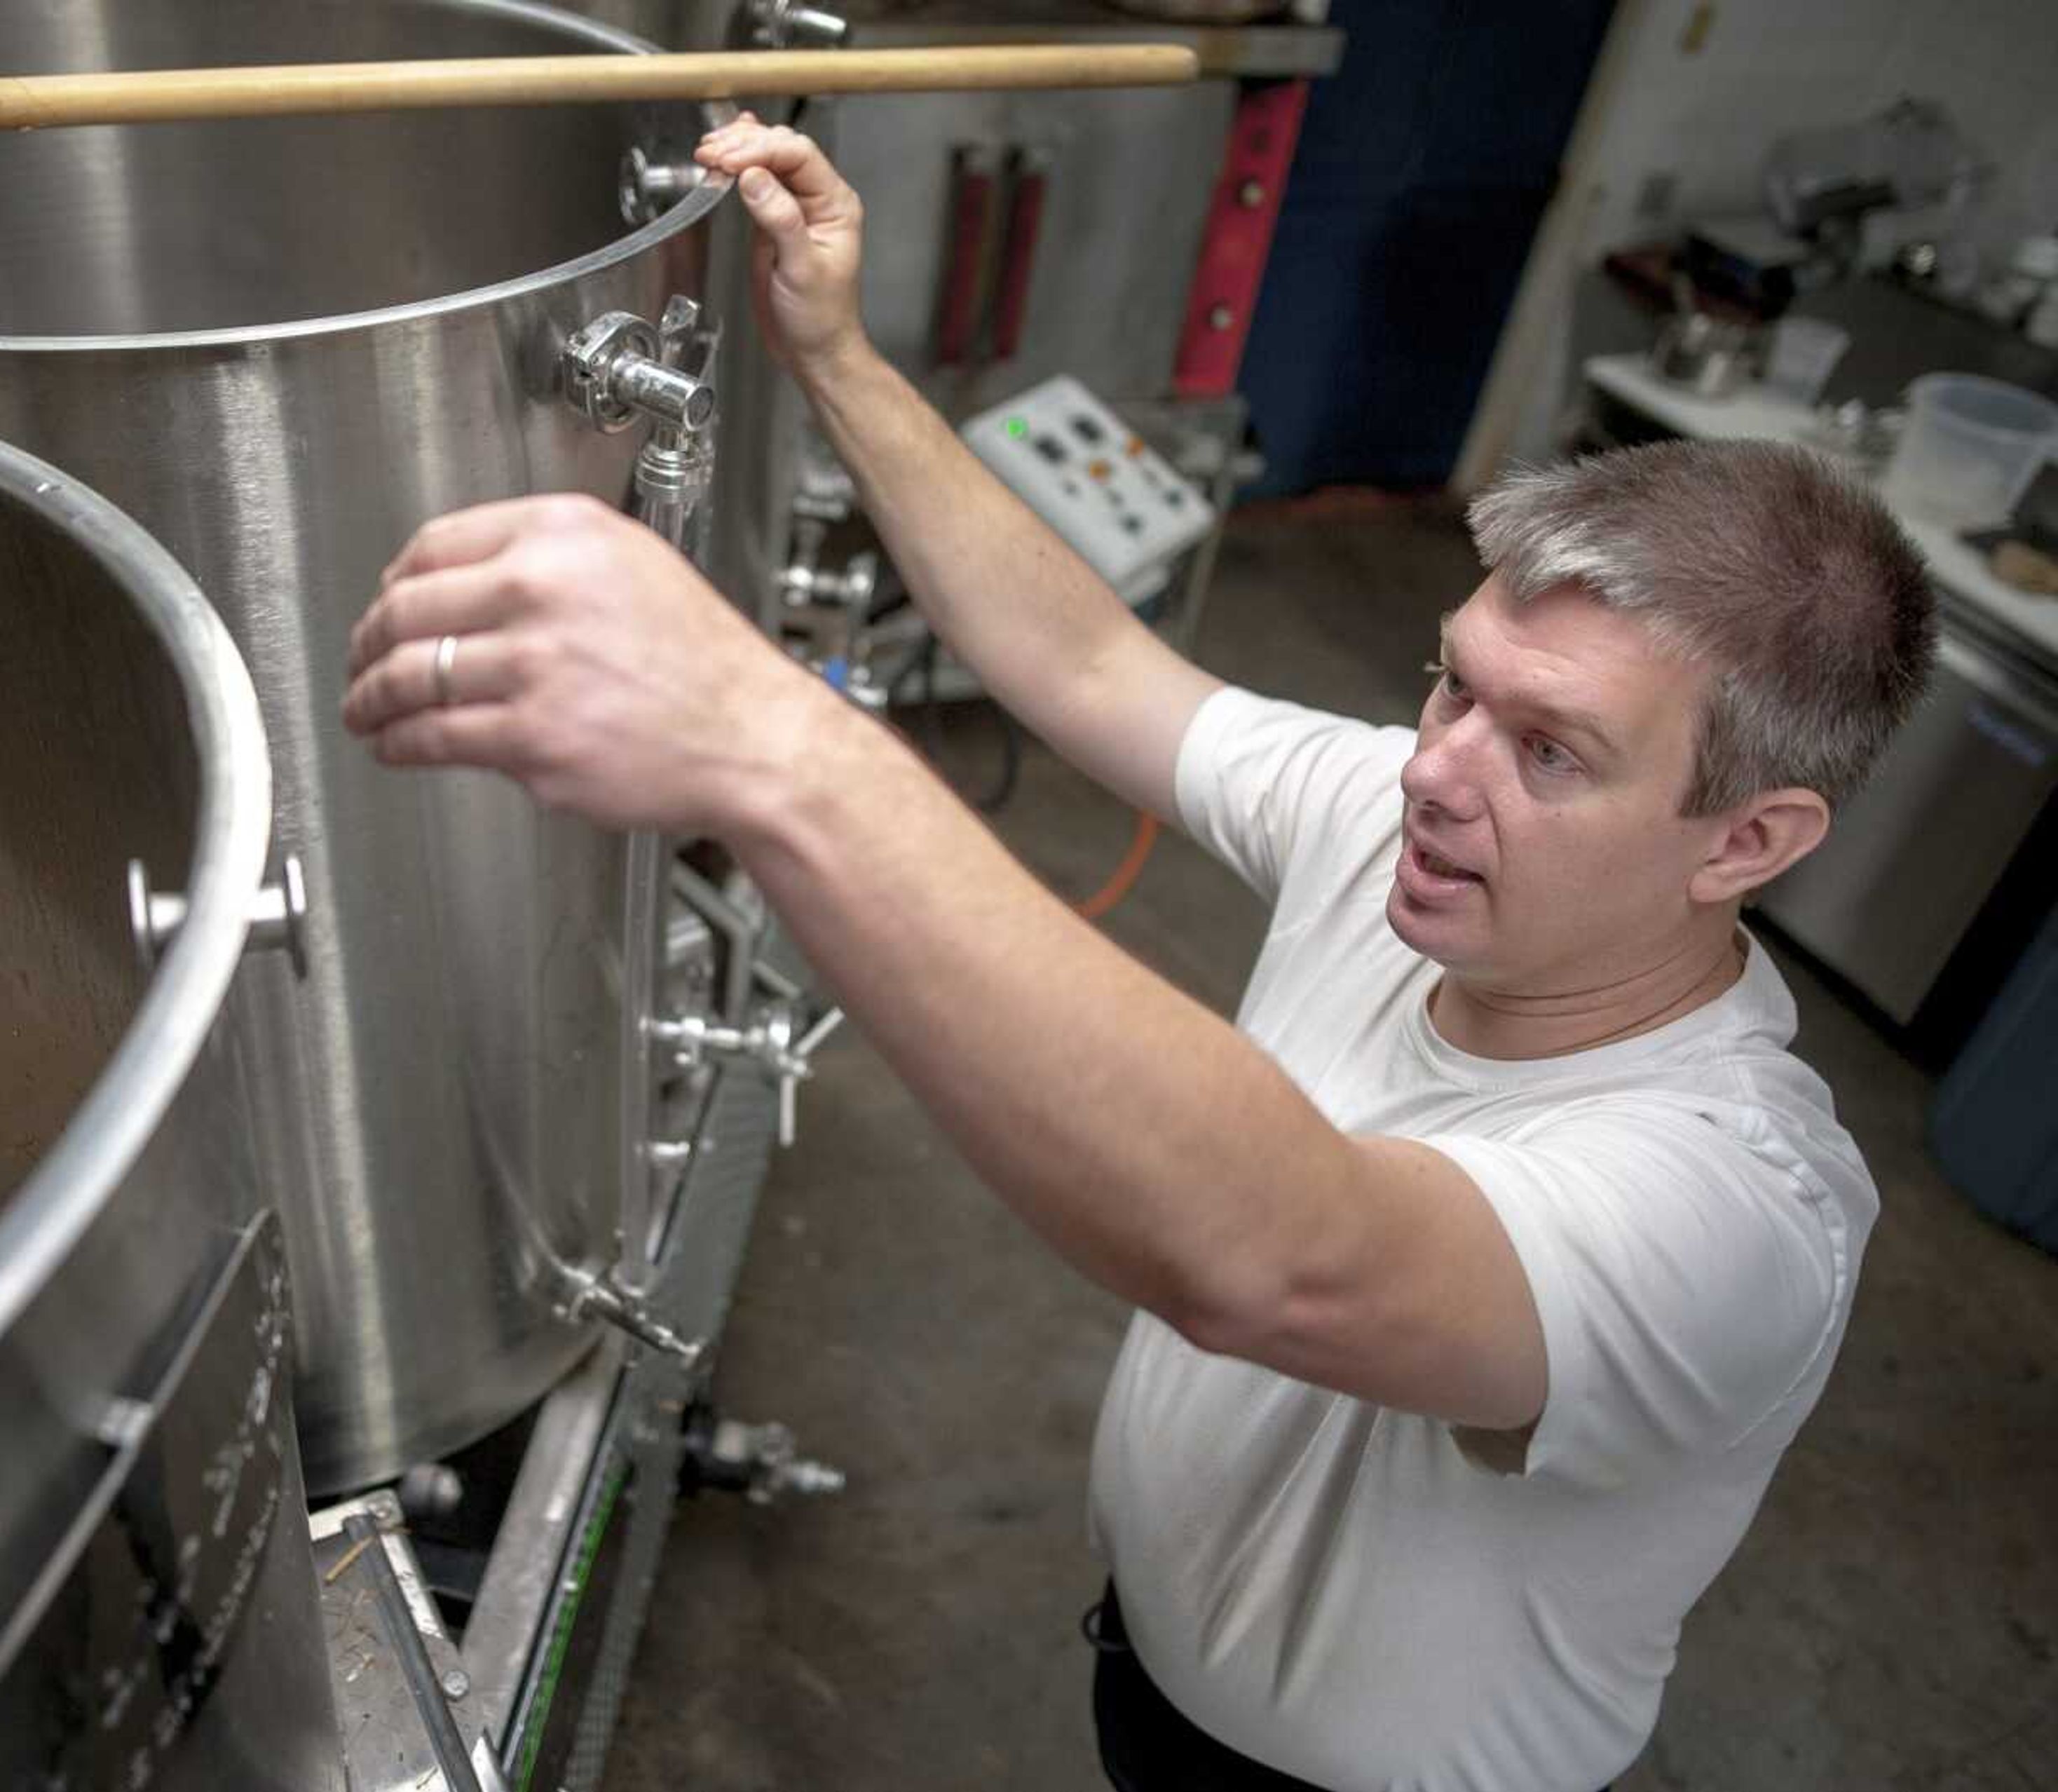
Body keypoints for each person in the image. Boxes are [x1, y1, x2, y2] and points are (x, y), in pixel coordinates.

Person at [339, 118, 1937, 1792]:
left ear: (1747, 842)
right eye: (1453, 682)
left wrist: (766, 741)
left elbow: (1283, 1258)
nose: (1435, 766)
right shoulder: (1410, 834)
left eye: (1554, 751)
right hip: (1158, 1668)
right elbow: (1093, 661)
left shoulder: (1738, 1204)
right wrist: (840, 358)